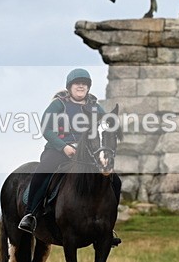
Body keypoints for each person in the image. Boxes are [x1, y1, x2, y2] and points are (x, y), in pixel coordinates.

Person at [18, 69, 122, 246]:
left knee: (116, 181)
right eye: (77, 83)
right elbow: (46, 129)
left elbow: (106, 125)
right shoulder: (59, 105)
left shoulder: (95, 107)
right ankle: (31, 214)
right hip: (58, 151)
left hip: (87, 154)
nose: (81, 86)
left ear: (88, 88)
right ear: (70, 87)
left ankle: (108, 226)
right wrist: (63, 147)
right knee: (44, 171)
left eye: (84, 83)